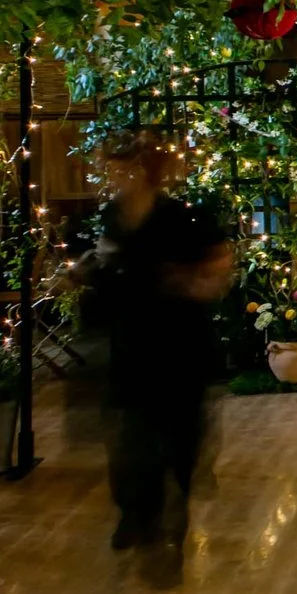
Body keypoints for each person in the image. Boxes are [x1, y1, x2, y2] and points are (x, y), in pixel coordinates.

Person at [91, 133, 234, 550]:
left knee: (179, 433)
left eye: (122, 168)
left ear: (143, 171)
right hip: (131, 342)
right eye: (111, 168)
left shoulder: (182, 218)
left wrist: (189, 283)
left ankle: (174, 511)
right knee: (129, 433)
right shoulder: (113, 216)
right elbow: (106, 262)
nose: (115, 175)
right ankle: (136, 515)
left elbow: (219, 262)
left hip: (180, 344)